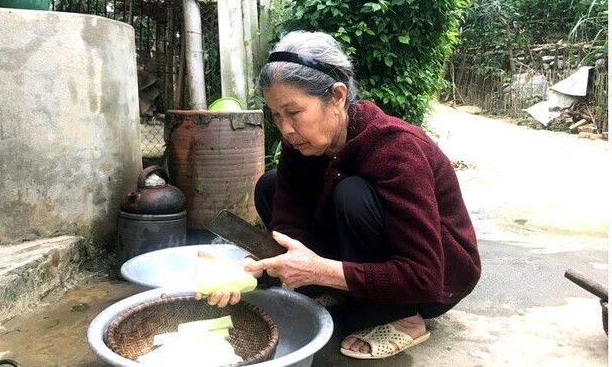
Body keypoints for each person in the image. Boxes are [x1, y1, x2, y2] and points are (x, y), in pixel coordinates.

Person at [198, 30, 481, 360]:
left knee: (352, 193)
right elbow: (288, 231)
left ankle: (406, 319)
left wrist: (318, 271)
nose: (285, 129)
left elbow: (424, 277)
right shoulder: (298, 145)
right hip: (373, 254)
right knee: (270, 185)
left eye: (294, 111)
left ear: (336, 96)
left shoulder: (397, 149)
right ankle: (337, 290)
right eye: (276, 114)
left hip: (434, 282)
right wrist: (250, 268)